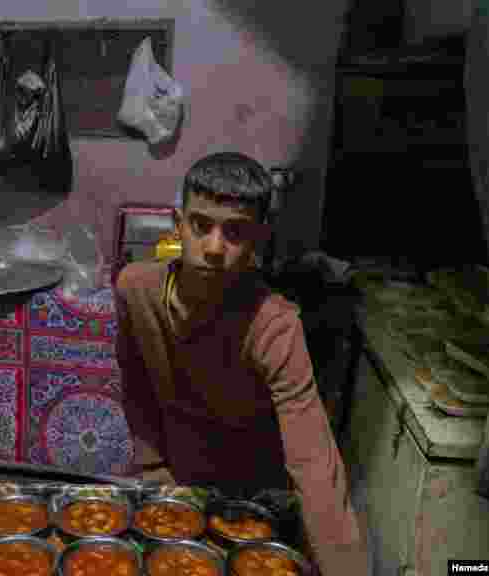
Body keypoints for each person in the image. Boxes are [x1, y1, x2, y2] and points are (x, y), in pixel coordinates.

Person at [115, 152, 367, 574]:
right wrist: (152, 464)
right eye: (201, 225)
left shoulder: (275, 325)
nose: (214, 248)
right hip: (175, 476)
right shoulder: (134, 289)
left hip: (254, 498)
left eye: (235, 232)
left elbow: (314, 461)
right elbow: (135, 382)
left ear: (259, 239)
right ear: (178, 224)